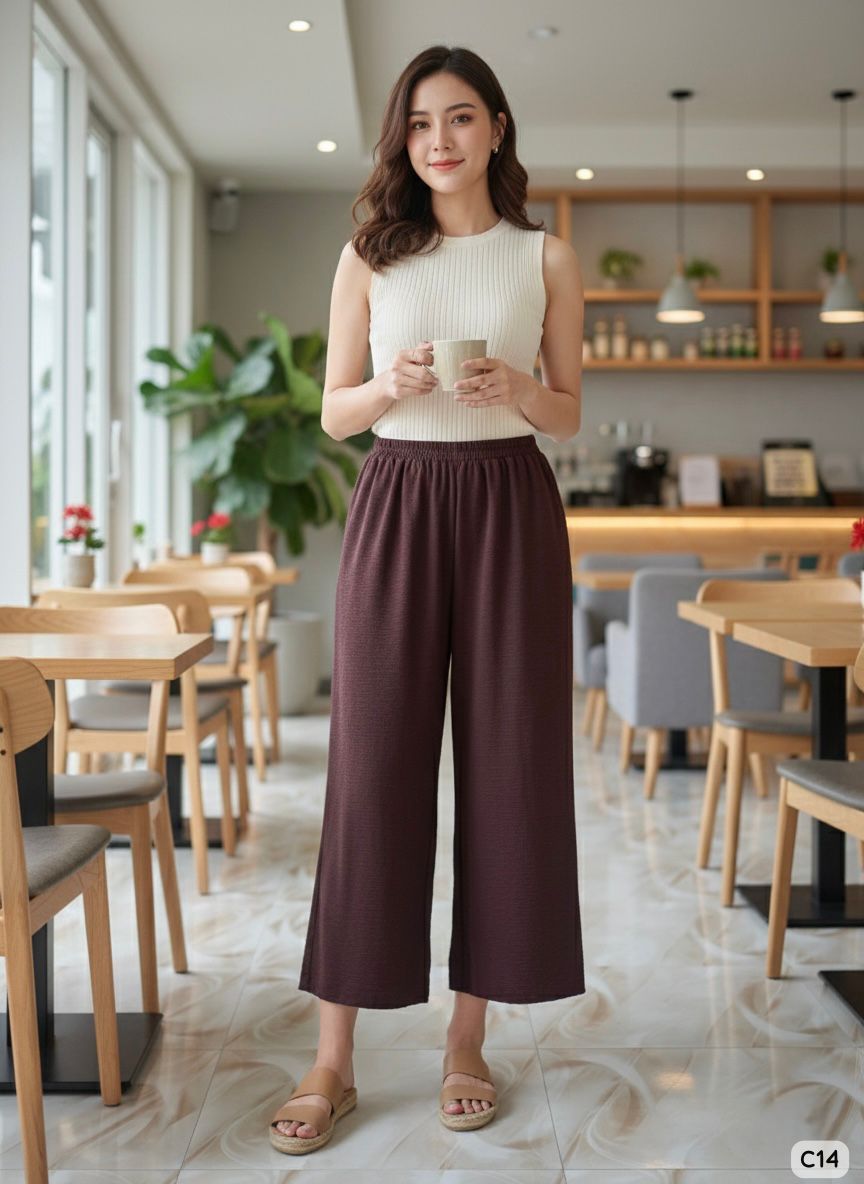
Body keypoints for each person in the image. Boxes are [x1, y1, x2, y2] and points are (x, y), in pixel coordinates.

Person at [269, 43, 585, 1156]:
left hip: (510, 503)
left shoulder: (545, 254)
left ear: (497, 127)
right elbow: (334, 416)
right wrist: (389, 384)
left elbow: (570, 413)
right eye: (418, 125)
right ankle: (333, 1057)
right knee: (371, 775)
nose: (438, 141)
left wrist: (519, 387)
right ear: (402, 141)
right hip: (398, 498)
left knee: (509, 770)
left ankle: (467, 1038)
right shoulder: (369, 254)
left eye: (459, 119)